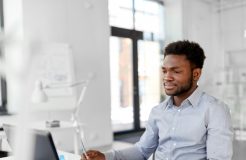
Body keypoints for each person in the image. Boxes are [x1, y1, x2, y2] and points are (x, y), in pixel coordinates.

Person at [81, 40, 233, 160]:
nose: (167, 77)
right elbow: (141, 151)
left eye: (176, 71)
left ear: (196, 74)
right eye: (164, 71)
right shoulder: (158, 111)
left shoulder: (215, 110)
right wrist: (106, 157)